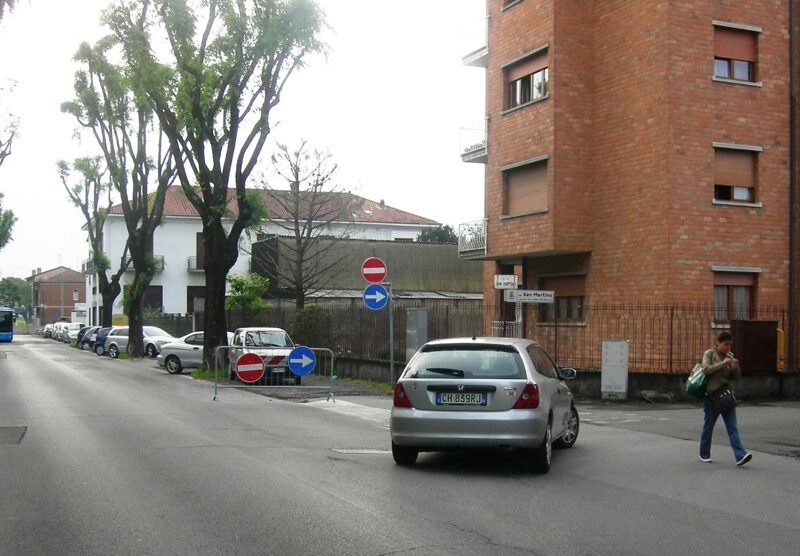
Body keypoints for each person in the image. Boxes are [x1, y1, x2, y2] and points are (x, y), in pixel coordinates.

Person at [698, 331, 752, 466]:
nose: (728, 347)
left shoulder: (730, 356)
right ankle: (704, 453)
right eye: (725, 344)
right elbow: (705, 369)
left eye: (730, 345)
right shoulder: (709, 354)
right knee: (708, 426)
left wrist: (735, 367)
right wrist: (722, 364)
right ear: (718, 343)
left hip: (726, 396)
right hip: (712, 397)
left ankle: (740, 455)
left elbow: (735, 378)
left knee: (732, 428)